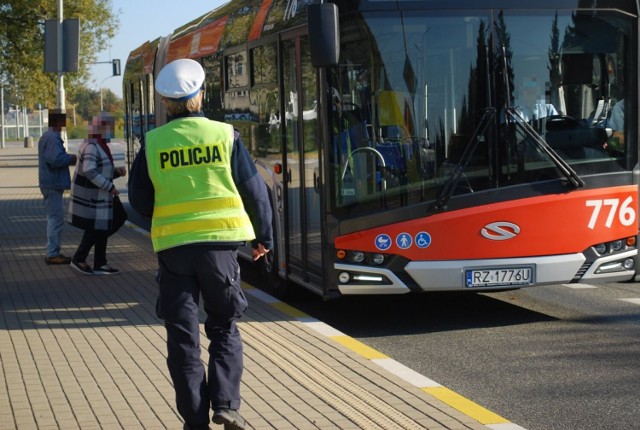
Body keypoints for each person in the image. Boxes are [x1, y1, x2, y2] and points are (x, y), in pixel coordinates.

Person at [139, 58, 272, 430]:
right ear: (200, 95)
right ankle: (227, 405)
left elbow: (139, 198)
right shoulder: (225, 136)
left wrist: (166, 215)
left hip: (174, 252)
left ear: (167, 103)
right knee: (224, 327)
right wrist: (264, 237)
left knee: (183, 339)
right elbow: (254, 191)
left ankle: (195, 421)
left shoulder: (153, 143)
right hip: (220, 251)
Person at [68, 113, 126, 275]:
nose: (111, 131)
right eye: (109, 127)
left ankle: (99, 262)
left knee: (101, 227)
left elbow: (100, 169)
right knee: (103, 226)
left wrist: (115, 172)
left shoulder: (98, 144)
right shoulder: (92, 146)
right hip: (93, 197)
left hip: (99, 196)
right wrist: (109, 187)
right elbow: (89, 170)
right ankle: (82, 259)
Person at [38, 109, 77, 265]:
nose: (64, 124)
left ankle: (53, 252)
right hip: (52, 183)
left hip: (50, 182)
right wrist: (71, 158)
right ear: (58, 122)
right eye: (63, 121)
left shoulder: (47, 137)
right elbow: (55, 159)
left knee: (54, 218)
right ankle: (53, 253)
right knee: (56, 219)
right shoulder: (53, 138)